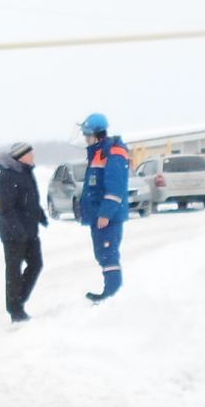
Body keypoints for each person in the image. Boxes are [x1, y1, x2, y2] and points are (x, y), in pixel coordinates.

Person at [77, 113, 130, 301]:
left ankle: (112, 295)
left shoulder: (113, 152)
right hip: (98, 214)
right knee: (103, 254)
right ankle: (110, 292)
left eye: (87, 135)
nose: (86, 140)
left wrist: (106, 212)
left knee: (109, 255)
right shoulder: (99, 153)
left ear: (96, 135)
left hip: (108, 216)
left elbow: (115, 186)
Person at [0, 140, 48, 321]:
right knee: (14, 271)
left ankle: (18, 300)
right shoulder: (7, 177)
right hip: (13, 234)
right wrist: (18, 230)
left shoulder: (27, 173)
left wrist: (40, 215)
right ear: (21, 156)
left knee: (36, 264)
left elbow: (30, 200)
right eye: (30, 154)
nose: (33, 157)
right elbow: (6, 209)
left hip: (30, 231)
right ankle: (15, 310)